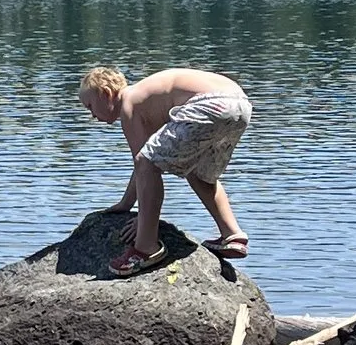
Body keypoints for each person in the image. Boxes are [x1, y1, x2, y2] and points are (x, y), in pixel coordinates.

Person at [78, 61, 252, 277]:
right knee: (198, 172)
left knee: (146, 162)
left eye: (90, 106)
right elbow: (145, 164)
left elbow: (143, 164)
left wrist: (140, 215)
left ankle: (146, 248)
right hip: (240, 103)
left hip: (209, 103)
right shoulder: (146, 99)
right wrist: (126, 204)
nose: (92, 116)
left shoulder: (129, 103)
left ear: (105, 94)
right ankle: (232, 235)